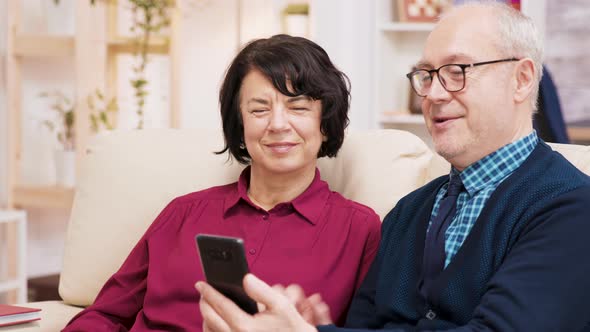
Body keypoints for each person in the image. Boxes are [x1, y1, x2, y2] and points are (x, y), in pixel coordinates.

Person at [197, 2, 590, 331]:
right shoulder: (408, 212)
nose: (433, 94)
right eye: (426, 75)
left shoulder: (572, 208)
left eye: (457, 72)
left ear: (521, 79)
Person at [63, 34, 381, 331]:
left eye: (298, 107)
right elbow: (105, 314)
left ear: (325, 123)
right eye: (259, 109)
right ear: (239, 122)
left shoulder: (361, 229)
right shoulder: (183, 213)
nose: (278, 124)